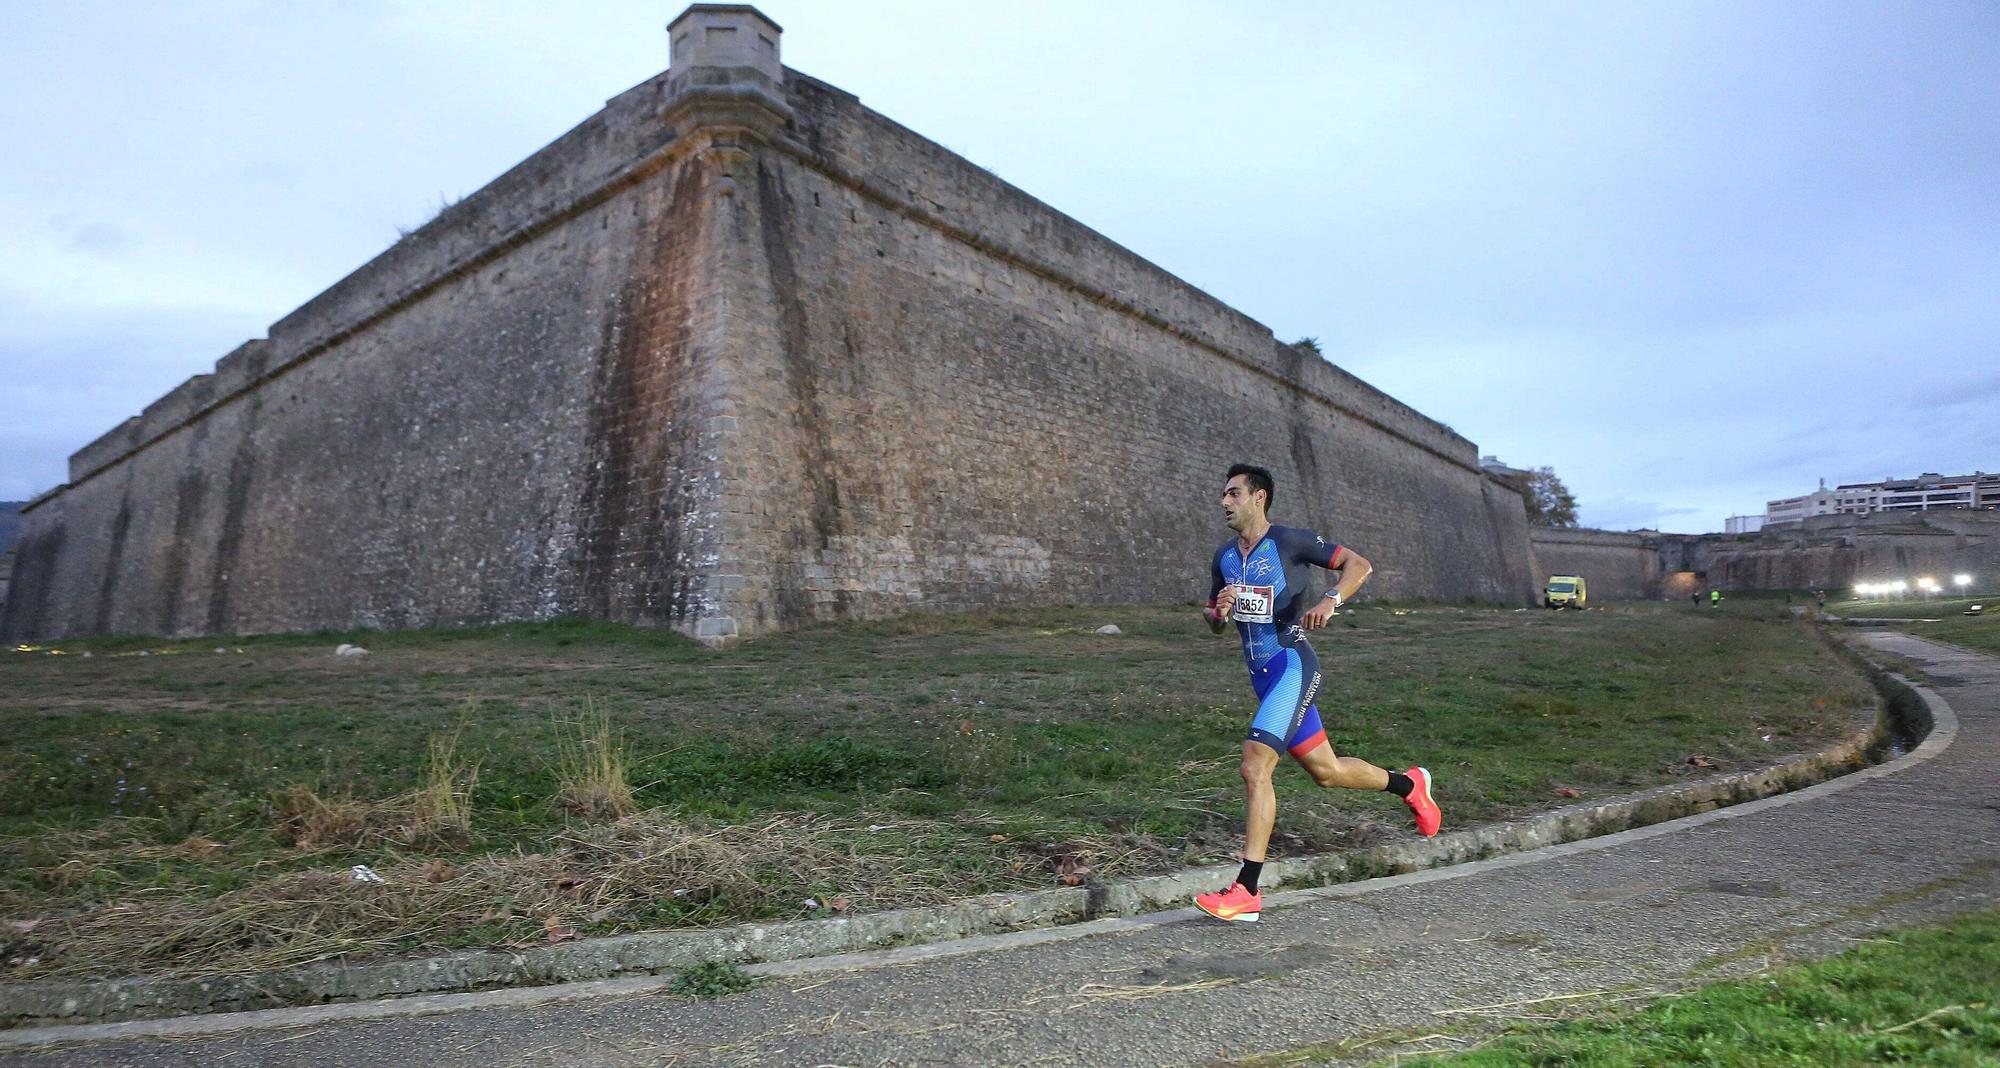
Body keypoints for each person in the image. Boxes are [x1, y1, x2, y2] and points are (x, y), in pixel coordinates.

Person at [1192, 464, 1440, 924]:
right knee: (1327, 772)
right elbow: (1213, 621)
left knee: (1255, 764)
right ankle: (1410, 785)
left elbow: (1359, 565)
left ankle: (1247, 890)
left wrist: (1331, 600)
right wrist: (1218, 614)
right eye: (1223, 495)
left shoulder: (1291, 541)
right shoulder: (1223, 558)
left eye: (1233, 494)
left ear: (1259, 498)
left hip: (1292, 666)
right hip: (1263, 678)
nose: (1224, 502)